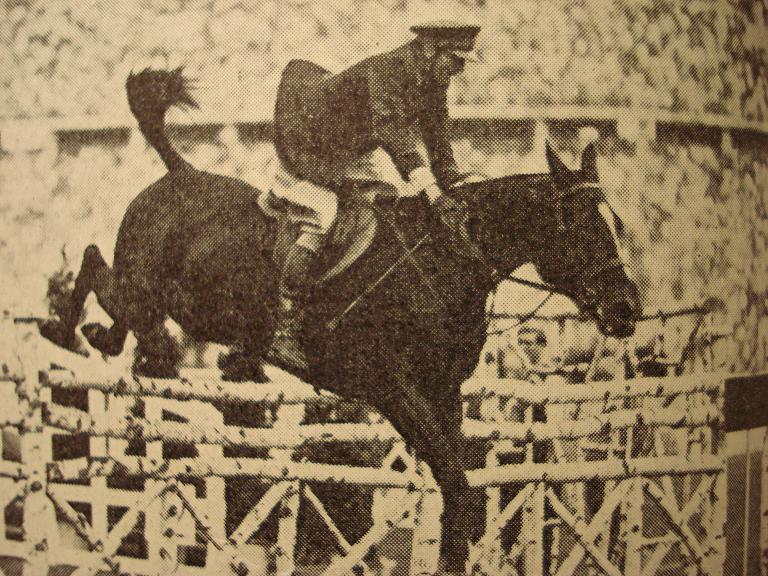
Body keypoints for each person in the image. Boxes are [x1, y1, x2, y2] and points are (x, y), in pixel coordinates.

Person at [267, 20, 484, 374]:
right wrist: (431, 189)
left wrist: (455, 182)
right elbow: (391, 131)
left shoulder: (433, 80)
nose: (459, 69)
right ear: (431, 50)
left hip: (350, 151)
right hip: (307, 145)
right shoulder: (386, 69)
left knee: (387, 206)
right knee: (324, 215)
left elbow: (438, 137)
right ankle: (285, 326)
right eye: (456, 59)